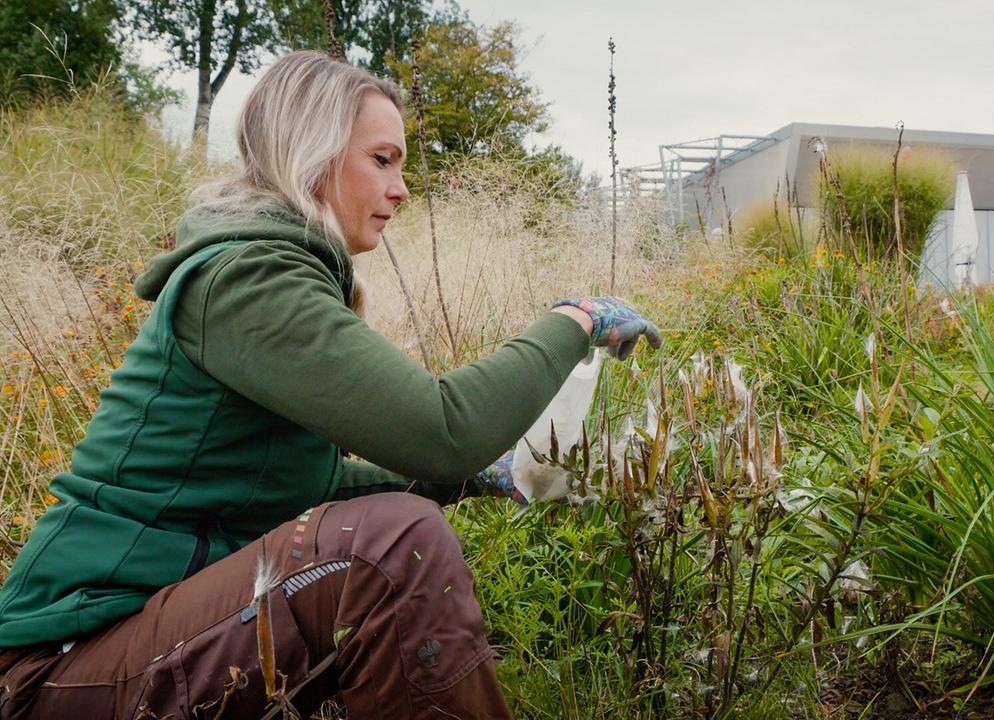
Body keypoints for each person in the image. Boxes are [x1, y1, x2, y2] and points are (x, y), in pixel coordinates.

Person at [0, 50, 660, 719]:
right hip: (61, 667)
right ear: (311, 155)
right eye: (382, 160)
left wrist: (479, 477)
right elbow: (444, 431)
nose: (401, 189)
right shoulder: (246, 281)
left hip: (135, 640)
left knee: (383, 534)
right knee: (390, 547)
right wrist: (575, 319)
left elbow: (308, 492)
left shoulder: (269, 274)